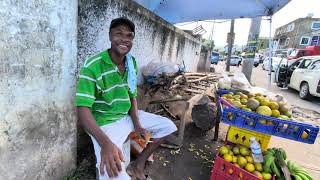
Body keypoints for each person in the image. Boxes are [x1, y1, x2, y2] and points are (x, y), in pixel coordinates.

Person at [76, 17, 177, 180]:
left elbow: (132, 95)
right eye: (119, 34)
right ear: (110, 36)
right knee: (114, 174)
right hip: (105, 124)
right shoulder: (92, 65)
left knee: (168, 126)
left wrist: (137, 123)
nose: (124, 39)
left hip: (127, 116)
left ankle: (138, 165)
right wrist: (105, 143)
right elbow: (82, 109)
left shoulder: (131, 62)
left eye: (129, 36)